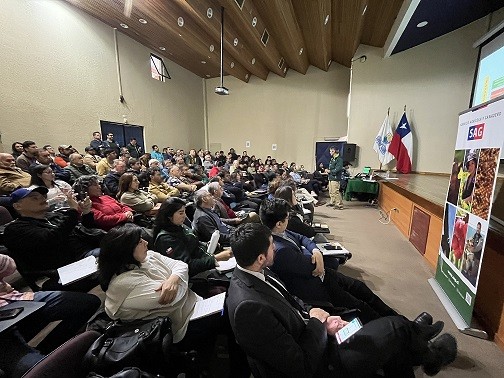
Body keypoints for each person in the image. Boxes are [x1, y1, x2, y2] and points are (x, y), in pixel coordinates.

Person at [227, 223, 457, 377]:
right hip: (321, 363)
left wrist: (319, 316)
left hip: (315, 335)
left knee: (366, 320)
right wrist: (318, 324)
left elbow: (292, 301)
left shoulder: (255, 271)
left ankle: (415, 339)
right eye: (271, 247)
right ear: (259, 258)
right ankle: (428, 353)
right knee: (394, 329)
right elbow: (300, 366)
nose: (275, 249)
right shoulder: (249, 308)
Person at [98, 223, 248, 376]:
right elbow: (174, 298)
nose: (146, 243)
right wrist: (178, 279)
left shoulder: (147, 257)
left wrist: (174, 278)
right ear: (125, 250)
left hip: (192, 305)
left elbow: (181, 265)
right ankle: (239, 370)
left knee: (232, 308)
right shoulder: (124, 283)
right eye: (139, 242)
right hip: (179, 325)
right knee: (234, 315)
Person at [260, 198, 404, 324]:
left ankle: (400, 320)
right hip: (316, 285)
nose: (289, 220)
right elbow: (313, 266)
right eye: (286, 218)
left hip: (322, 275)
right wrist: (315, 256)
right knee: (361, 306)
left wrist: (316, 251)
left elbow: (302, 238)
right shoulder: (280, 250)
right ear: (278, 223)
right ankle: (397, 326)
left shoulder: (280, 232)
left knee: (360, 288)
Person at [0, 254, 100, 378]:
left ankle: (49, 350)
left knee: (87, 303)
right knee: (39, 370)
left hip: (16, 300)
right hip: (3, 332)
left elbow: (10, 266)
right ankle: (41, 359)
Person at [3, 186, 101, 291]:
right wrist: (73, 211)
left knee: (117, 245)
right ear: (18, 206)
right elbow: (52, 239)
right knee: (115, 255)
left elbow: (87, 231)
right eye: (34, 198)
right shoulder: (16, 229)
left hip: (88, 252)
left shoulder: (53, 216)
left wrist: (86, 213)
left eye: (43, 196)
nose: (42, 199)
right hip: (70, 265)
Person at [153, 197, 233, 277]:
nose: (184, 216)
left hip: (206, 258)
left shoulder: (179, 225)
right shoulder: (165, 239)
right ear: (169, 216)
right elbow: (186, 266)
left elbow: (193, 243)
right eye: (181, 213)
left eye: (184, 212)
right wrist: (216, 259)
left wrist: (209, 245)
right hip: (197, 273)